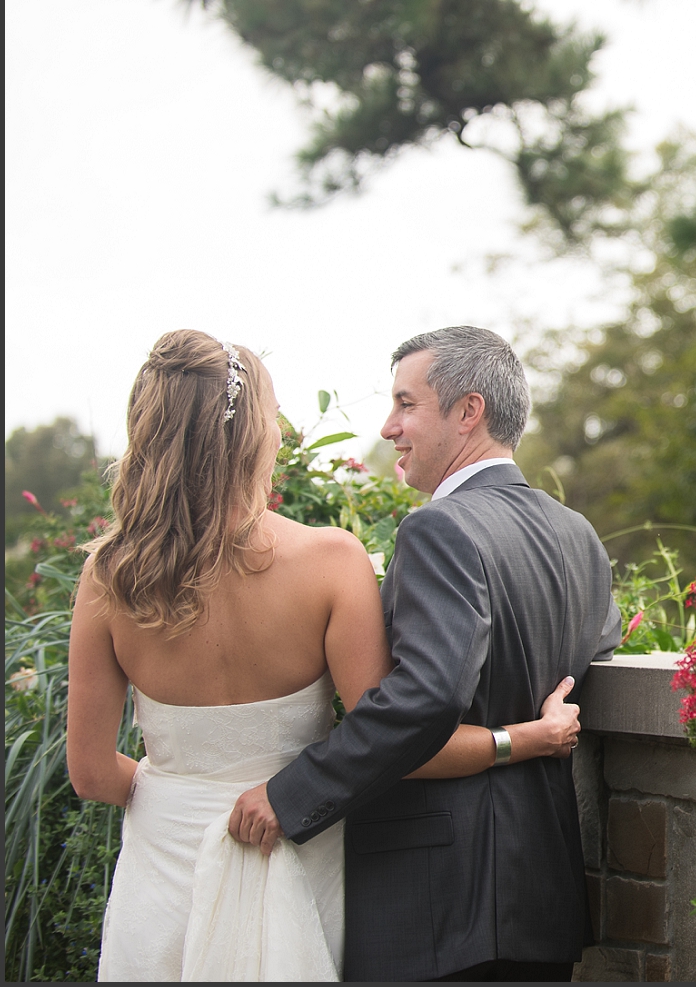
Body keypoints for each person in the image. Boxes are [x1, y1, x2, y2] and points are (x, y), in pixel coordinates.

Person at [66, 330, 581, 981]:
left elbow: (89, 772)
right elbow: (395, 737)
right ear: (254, 432)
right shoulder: (330, 560)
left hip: (165, 860)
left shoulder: (107, 577)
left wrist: (174, 793)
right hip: (298, 851)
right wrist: (521, 738)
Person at [230, 325, 622, 982]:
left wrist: (294, 792)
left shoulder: (438, 526)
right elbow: (592, 657)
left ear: (469, 411)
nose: (388, 426)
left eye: (406, 403)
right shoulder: (575, 532)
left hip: (440, 900)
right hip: (540, 889)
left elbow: (426, 696)